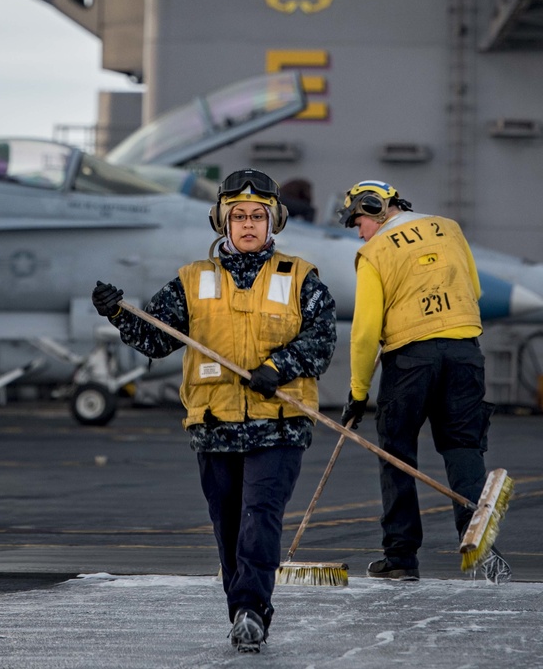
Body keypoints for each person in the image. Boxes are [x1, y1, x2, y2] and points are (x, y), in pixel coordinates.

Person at [92, 168, 336, 653]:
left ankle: (252, 610)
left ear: (275, 222)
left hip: (278, 425)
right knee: (227, 525)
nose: (248, 224)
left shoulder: (300, 277)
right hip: (214, 426)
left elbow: (322, 340)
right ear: (222, 221)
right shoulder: (193, 280)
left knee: (258, 516)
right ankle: (241, 613)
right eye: (238, 215)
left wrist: (278, 366)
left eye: (258, 216)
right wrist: (120, 313)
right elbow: (156, 339)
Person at [337, 179, 507, 583]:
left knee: (397, 454)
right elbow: (475, 288)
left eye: (358, 220)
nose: (358, 230)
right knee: (464, 447)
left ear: (373, 208)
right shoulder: (449, 228)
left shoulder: (373, 252)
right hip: (466, 350)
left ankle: (400, 558)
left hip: (411, 359)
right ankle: (481, 549)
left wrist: (358, 394)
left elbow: (363, 333)